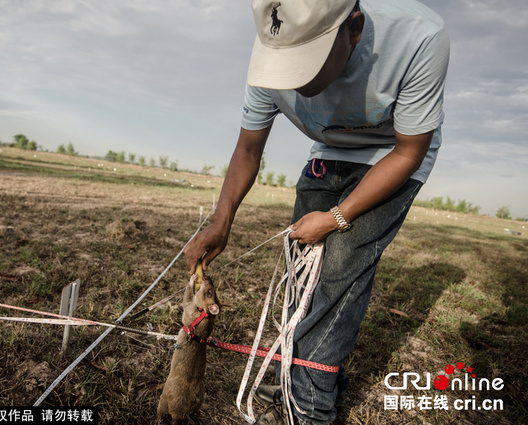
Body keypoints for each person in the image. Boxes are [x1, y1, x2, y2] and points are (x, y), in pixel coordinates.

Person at [184, 0, 449, 423]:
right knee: (302, 273)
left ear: (354, 30)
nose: (293, 79)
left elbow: (409, 151)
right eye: (288, 63)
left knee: (341, 272)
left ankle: (309, 408)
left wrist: (337, 217)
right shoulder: (274, 44)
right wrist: (221, 219)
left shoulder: (419, 36)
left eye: (307, 63)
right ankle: (293, 377)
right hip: (328, 151)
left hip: (393, 156)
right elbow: (248, 148)